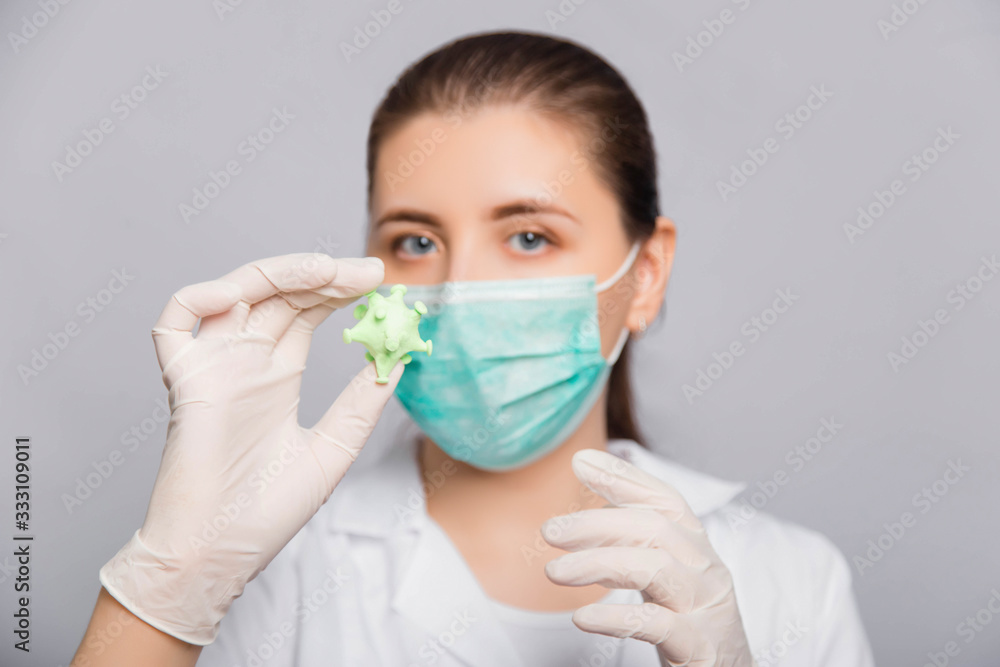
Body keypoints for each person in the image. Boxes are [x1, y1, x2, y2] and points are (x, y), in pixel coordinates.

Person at [71, 31, 875, 667]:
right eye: (416, 239)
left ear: (648, 271)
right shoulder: (277, 568)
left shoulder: (790, 581)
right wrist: (169, 586)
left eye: (529, 236)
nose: (457, 294)